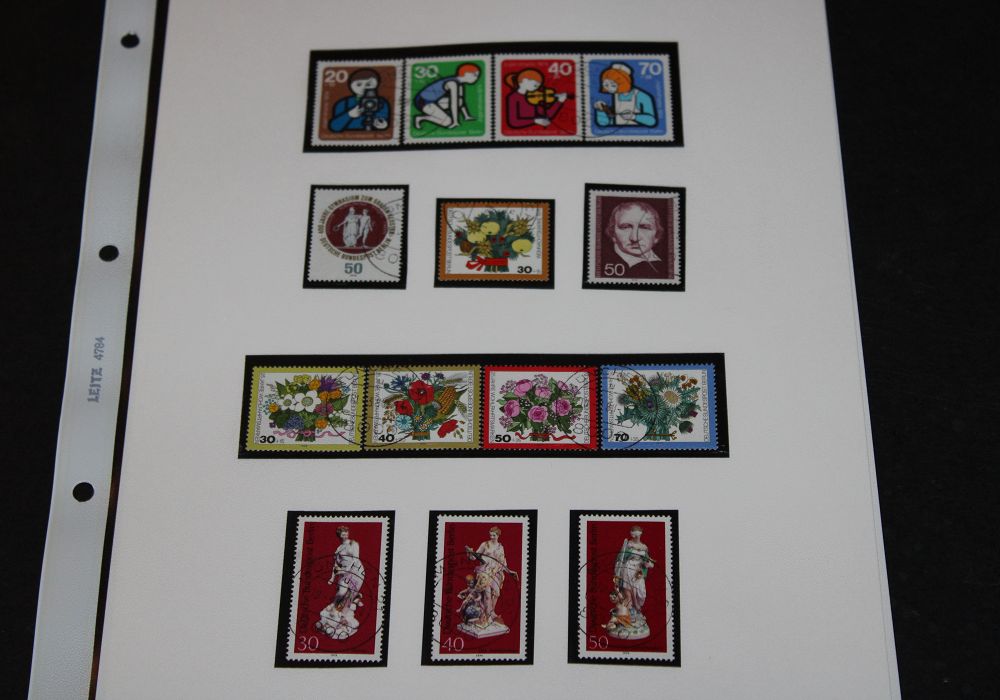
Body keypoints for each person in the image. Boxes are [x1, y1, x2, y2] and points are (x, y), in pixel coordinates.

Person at [316, 526, 366, 640]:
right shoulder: (339, 548)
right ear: (339, 535)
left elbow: (356, 558)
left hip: (356, 571)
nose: (345, 535)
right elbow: (336, 565)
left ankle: (343, 615)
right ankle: (334, 609)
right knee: (341, 592)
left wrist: (347, 569)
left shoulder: (354, 544)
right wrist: (332, 577)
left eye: (346, 533)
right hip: (344, 572)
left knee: (351, 594)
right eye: (343, 533)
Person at [601, 200, 668, 277]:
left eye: (645, 227)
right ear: (613, 234)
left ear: (657, 235)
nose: (634, 238)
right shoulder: (602, 263)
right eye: (625, 227)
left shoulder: (664, 265)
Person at [463, 526, 509, 627]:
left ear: (498, 535)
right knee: (487, 595)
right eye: (490, 535)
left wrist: (500, 569)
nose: (491, 537)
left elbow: (502, 561)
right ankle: (486, 616)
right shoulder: (485, 544)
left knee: (496, 593)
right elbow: (474, 557)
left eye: (494, 535)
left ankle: (491, 613)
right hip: (484, 572)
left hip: (495, 572)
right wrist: (470, 553)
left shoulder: (500, 547)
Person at [413, 63, 481, 130]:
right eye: (474, 75)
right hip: (423, 102)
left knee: (460, 100)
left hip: (435, 101)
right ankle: (420, 118)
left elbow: (460, 100)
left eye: (477, 75)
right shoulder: (452, 83)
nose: (476, 78)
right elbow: (453, 103)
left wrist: (466, 116)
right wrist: (455, 121)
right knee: (448, 122)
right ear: (466, 73)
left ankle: (436, 112)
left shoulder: (459, 83)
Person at [592, 62, 657, 128]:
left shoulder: (642, 97)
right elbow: (604, 124)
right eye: (606, 85)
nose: (608, 88)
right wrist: (601, 110)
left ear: (623, 83)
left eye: (613, 85)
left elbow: (652, 121)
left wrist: (634, 117)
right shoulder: (615, 96)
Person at [613, 526, 654, 623]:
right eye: (634, 534)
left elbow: (647, 560)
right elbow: (620, 558)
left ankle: (636, 609)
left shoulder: (644, 547)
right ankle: (630, 612)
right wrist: (618, 571)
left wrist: (648, 564)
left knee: (641, 593)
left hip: (638, 571)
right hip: (628, 569)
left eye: (637, 534)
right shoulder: (628, 545)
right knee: (629, 593)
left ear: (640, 534)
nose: (636, 536)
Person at [329, 68, 390, 133]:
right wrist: (349, 115)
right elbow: (334, 127)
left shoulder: (382, 103)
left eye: (368, 84)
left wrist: (383, 125)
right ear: (351, 86)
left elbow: (385, 120)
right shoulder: (343, 103)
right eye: (359, 84)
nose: (363, 87)